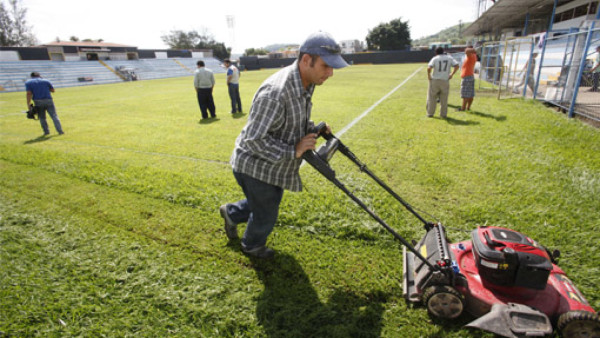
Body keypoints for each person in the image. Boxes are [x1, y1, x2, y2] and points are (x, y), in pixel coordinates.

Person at [219, 31, 348, 259]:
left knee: (262, 202)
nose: (330, 73)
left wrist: (312, 127)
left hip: (272, 165)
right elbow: (253, 139)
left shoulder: (306, 81)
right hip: (255, 166)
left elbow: (289, 119)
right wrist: (294, 150)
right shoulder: (276, 93)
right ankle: (252, 245)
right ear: (307, 60)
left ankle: (230, 213)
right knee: (266, 210)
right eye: (326, 66)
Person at [427, 47, 459, 118]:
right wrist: (452, 74)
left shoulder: (435, 58)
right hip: (445, 80)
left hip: (435, 80)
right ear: (443, 51)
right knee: (444, 98)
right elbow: (456, 65)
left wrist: (429, 75)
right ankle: (443, 114)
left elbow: (429, 68)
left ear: (436, 52)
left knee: (432, 98)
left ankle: (430, 113)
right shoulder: (449, 57)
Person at [460, 46, 477, 111]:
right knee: (470, 94)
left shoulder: (471, 56)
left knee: (465, 94)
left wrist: (472, 49)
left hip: (467, 77)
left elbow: (467, 51)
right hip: (470, 76)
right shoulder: (474, 56)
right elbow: (467, 51)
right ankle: (468, 107)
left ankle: (463, 108)